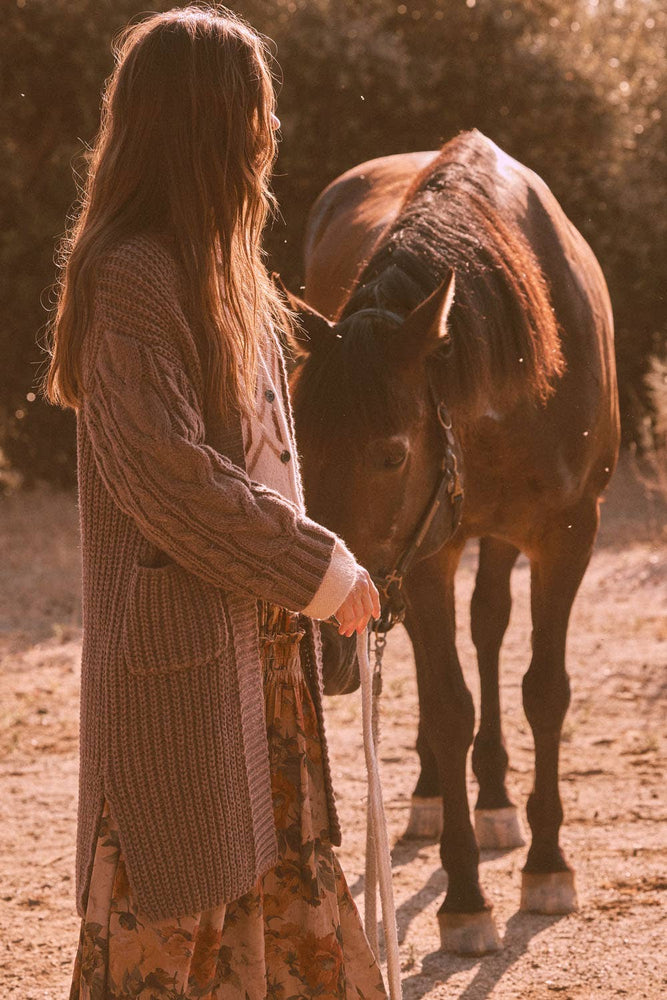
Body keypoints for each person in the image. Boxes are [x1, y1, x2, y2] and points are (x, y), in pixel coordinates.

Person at [44, 6, 386, 998]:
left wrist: (323, 582)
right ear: (205, 127)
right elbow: (173, 481)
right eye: (253, 114)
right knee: (177, 939)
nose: (268, 136)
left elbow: (264, 461)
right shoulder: (131, 279)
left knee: (282, 936)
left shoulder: (231, 276)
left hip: (262, 666)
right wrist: (319, 568)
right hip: (182, 685)